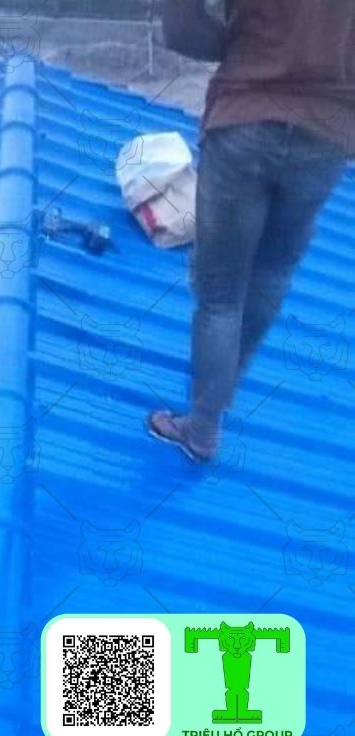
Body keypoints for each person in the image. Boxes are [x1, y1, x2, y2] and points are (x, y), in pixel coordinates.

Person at [148, 0, 354, 462]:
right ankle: (216, 404)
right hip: (327, 133)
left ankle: (203, 427)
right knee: (272, 275)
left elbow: (181, 26)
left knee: (221, 293)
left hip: (246, 116)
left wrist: (243, 48)